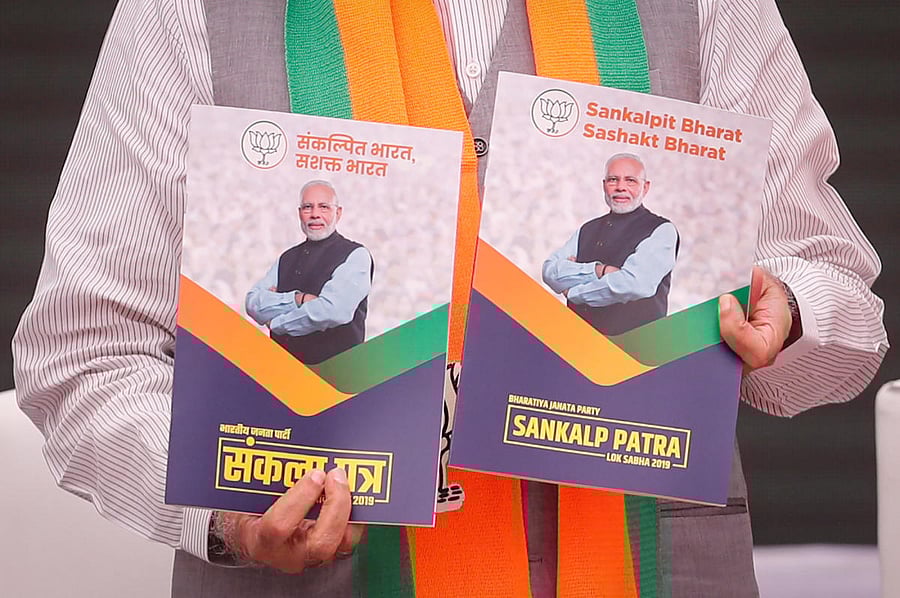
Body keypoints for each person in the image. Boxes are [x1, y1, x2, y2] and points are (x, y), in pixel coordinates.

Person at [11, 0, 888, 596]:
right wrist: (223, 504)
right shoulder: (185, 13)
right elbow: (82, 351)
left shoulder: (708, 7)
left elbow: (836, 290)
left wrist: (792, 309)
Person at [542, 153, 679, 335]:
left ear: (645, 187)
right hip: (575, 343)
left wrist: (574, 293)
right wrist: (600, 271)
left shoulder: (661, 230)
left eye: (630, 180)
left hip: (632, 350)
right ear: (604, 185)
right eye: (613, 180)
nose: (620, 187)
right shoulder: (587, 228)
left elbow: (633, 284)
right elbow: (549, 271)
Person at [245, 180, 373, 365]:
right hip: (280, 371)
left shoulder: (355, 255)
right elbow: (253, 303)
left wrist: (277, 323)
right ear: (299, 214)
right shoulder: (286, 257)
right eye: (307, 207)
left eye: (324, 207)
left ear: (338, 213)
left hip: (333, 377)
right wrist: (299, 299)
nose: (315, 215)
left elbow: (332, 311)